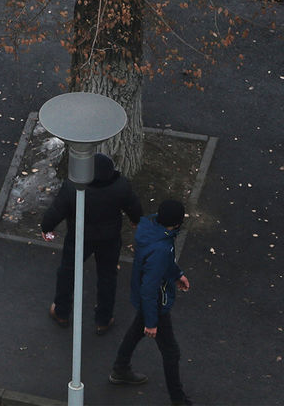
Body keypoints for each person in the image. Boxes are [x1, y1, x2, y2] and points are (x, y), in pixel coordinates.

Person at [41, 153, 143, 333]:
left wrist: (46, 228)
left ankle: (61, 311)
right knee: (107, 277)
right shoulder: (121, 186)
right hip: (109, 238)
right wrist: (136, 220)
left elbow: (57, 210)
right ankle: (103, 319)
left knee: (67, 273)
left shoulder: (73, 187)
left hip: (79, 237)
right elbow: (133, 206)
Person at [109, 199, 192, 406]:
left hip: (148, 300)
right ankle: (178, 400)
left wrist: (176, 274)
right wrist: (152, 321)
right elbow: (150, 286)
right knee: (171, 353)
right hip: (156, 304)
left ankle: (120, 369)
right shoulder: (162, 247)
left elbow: (161, 264)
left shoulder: (152, 230)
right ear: (176, 223)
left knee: (135, 331)